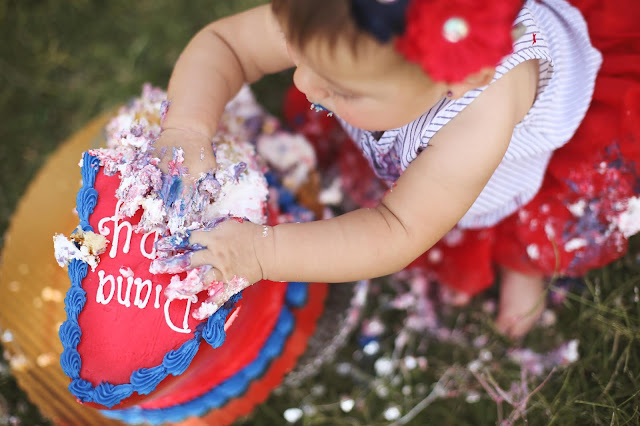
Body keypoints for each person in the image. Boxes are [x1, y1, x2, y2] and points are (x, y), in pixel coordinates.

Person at [153, 0, 640, 338]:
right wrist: (187, 128)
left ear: (456, 82)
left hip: (513, 164)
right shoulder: (340, 18)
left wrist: (261, 253)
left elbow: (398, 228)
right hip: (413, 111)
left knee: (528, 219)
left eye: (341, 88)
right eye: (299, 54)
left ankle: (524, 262)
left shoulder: (478, 116)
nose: (303, 83)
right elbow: (228, 44)